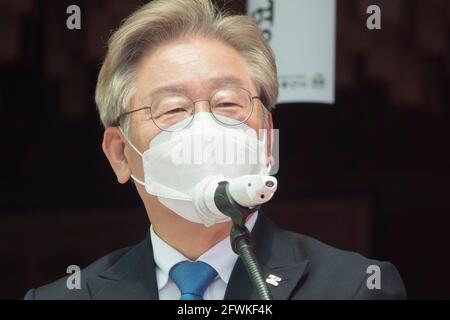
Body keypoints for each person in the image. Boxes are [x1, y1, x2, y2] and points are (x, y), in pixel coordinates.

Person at [24, 0, 406, 300]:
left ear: (267, 137)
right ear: (120, 154)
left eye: (228, 103)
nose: (206, 127)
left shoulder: (353, 288)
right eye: (173, 108)